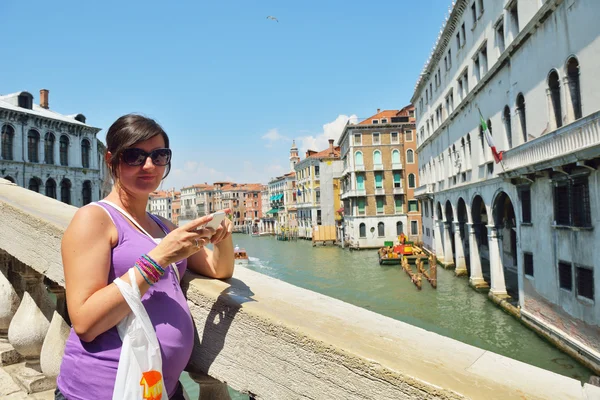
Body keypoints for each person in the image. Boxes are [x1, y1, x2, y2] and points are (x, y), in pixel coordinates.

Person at [55, 114, 235, 400]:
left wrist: (223, 236)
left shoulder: (163, 226)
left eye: (159, 155)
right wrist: (159, 257)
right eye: (134, 156)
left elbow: (218, 269)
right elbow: (86, 323)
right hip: (101, 389)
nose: (149, 165)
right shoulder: (94, 219)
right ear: (110, 159)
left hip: (160, 388)